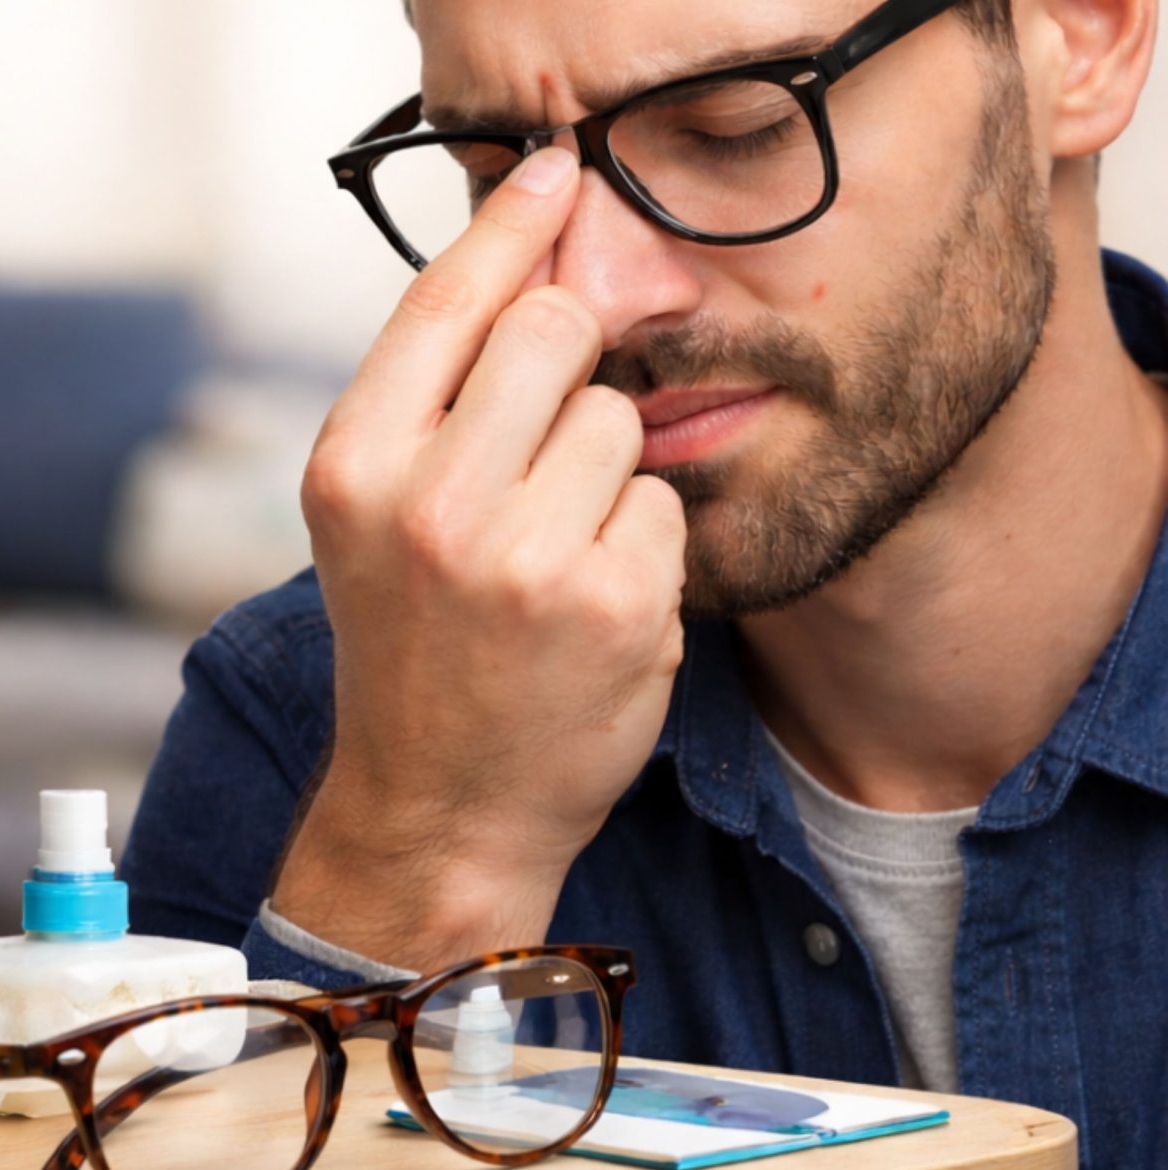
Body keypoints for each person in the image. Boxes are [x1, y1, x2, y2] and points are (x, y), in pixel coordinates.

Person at [122, 0, 1168, 1163]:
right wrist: (424, 850)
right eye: (497, 171)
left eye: (733, 129)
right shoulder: (325, 720)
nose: (597, 298)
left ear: (1087, 39)